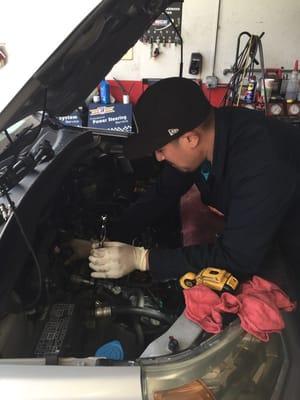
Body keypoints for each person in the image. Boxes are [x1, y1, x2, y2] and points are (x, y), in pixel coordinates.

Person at [73, 77, 300, 294]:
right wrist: (103, 243)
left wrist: (143, 259)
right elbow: (163, 192)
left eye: (160, 149)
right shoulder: (209, 135)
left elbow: (237, 258)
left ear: (190, 139)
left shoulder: (262, 161)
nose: (159, 158)